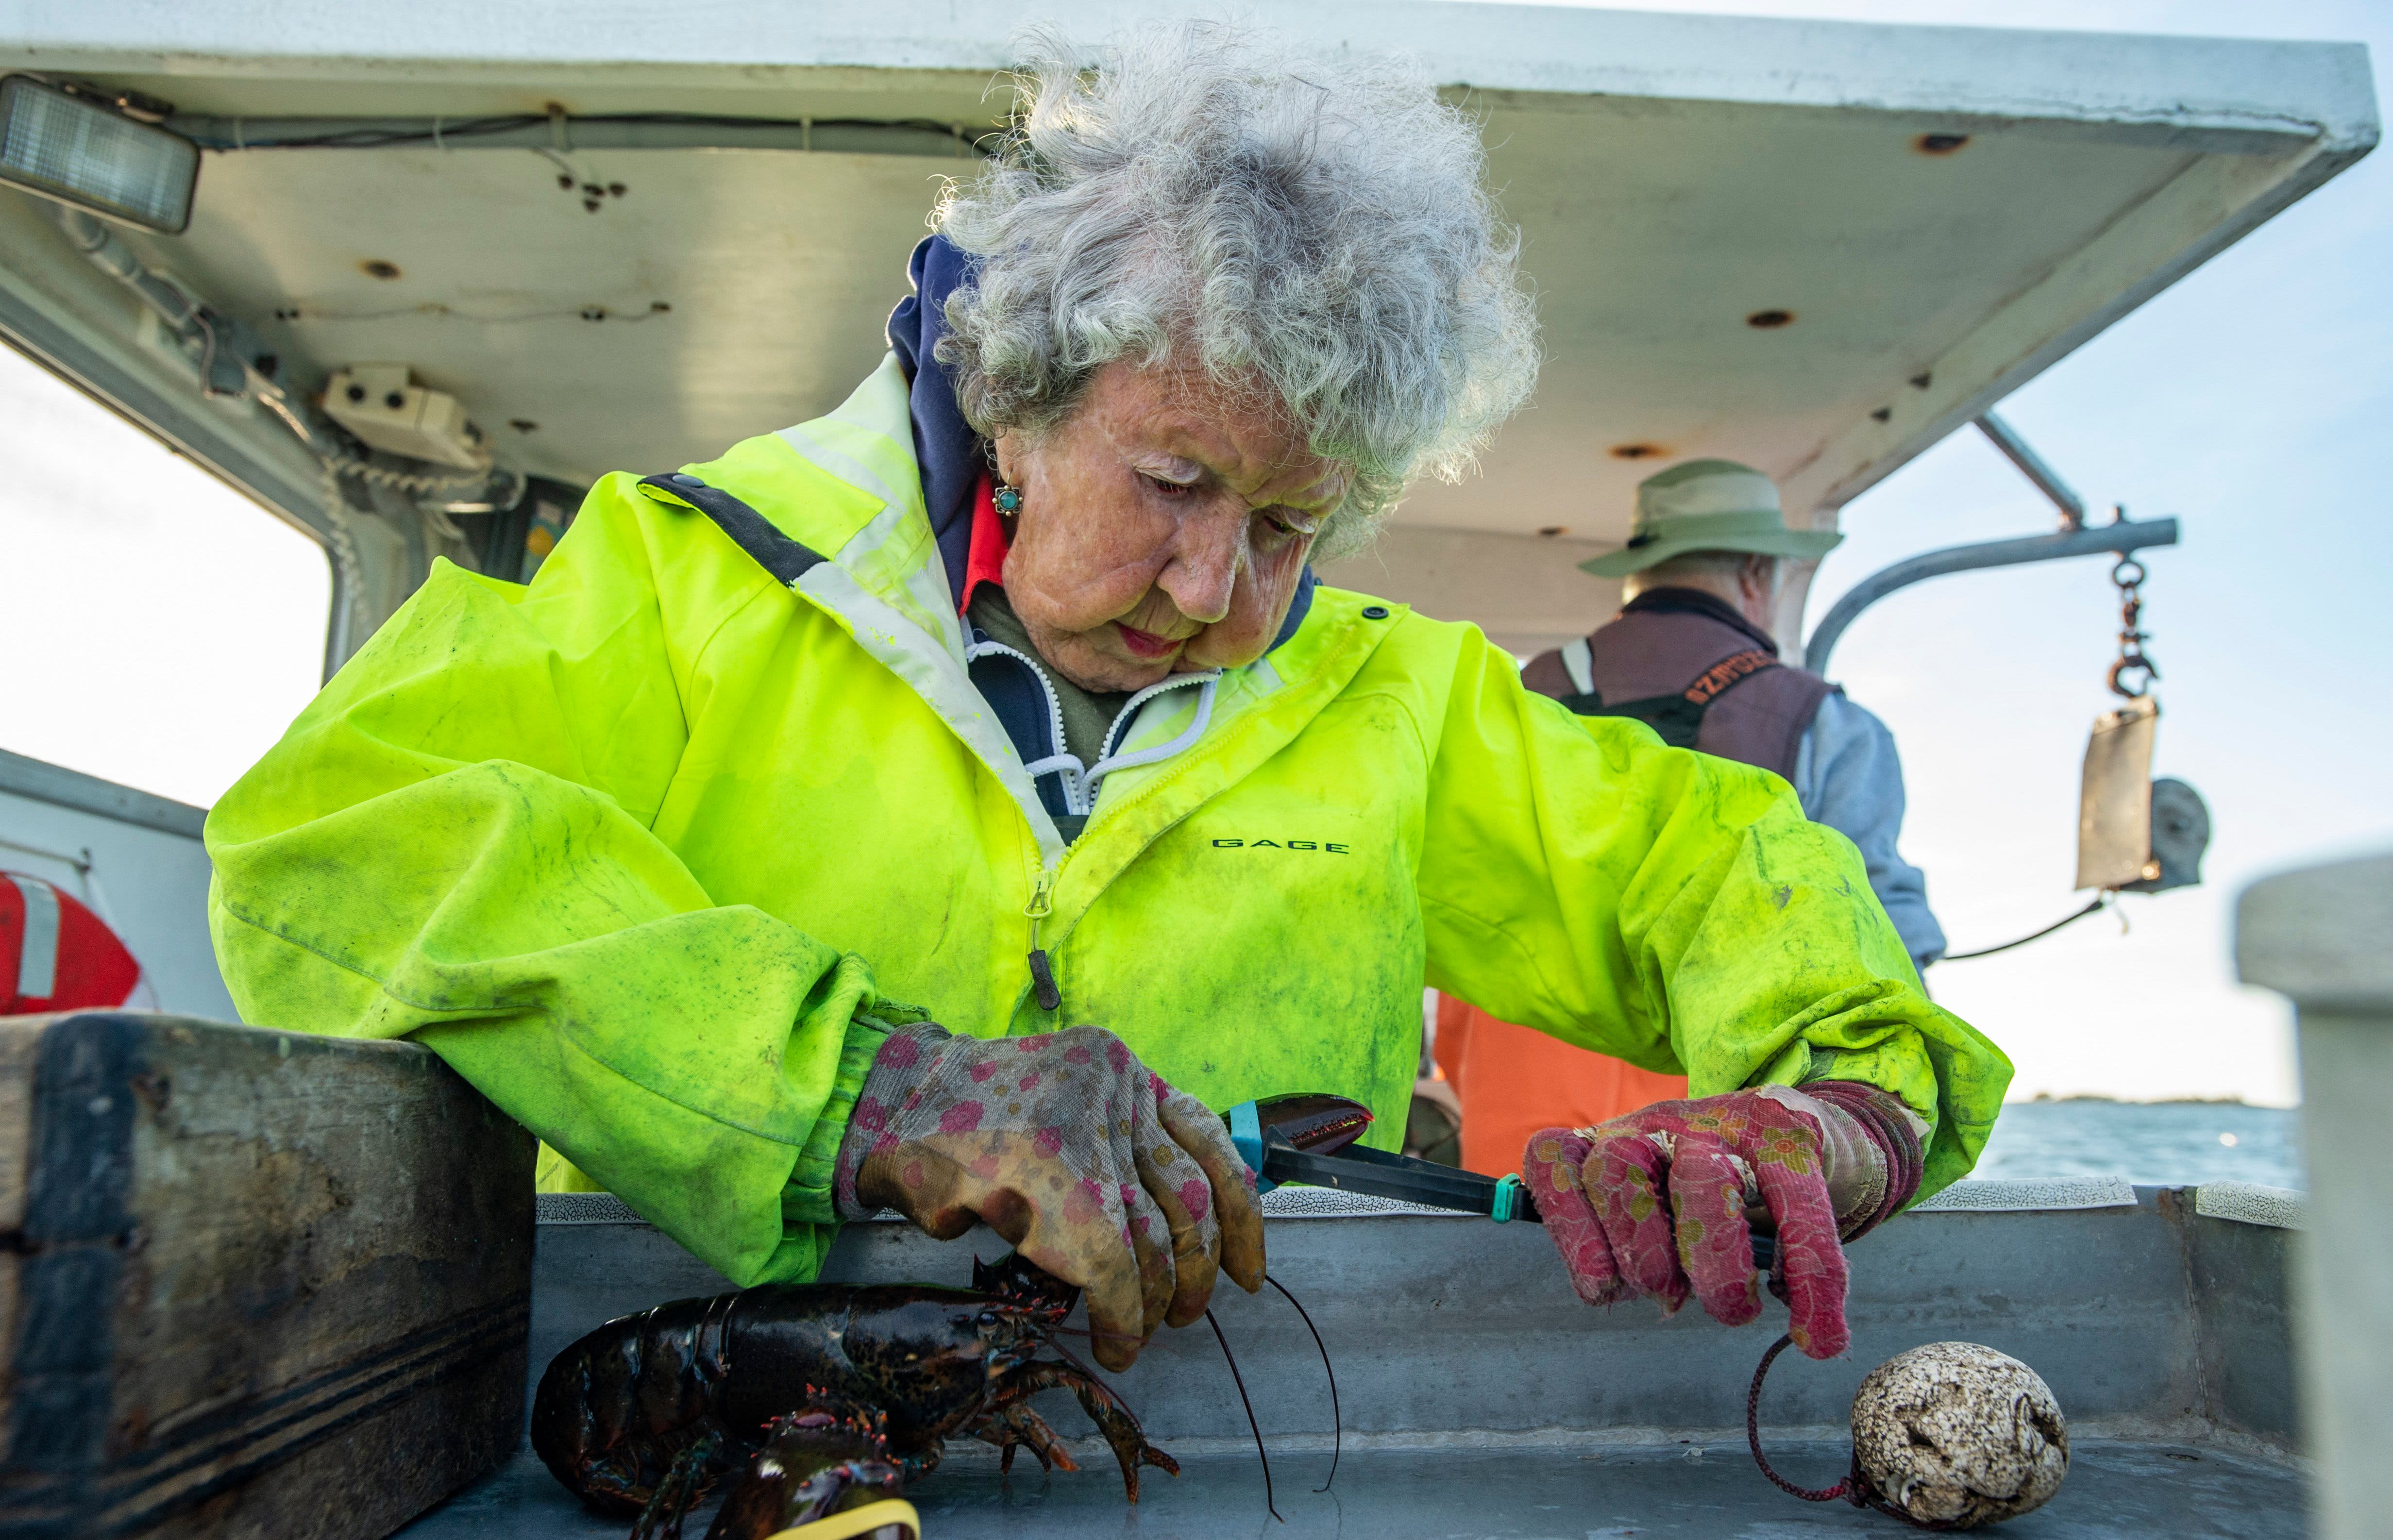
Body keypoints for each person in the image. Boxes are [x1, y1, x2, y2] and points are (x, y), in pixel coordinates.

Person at [204, 25, 2006, 1375]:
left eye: (1292, 524)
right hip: (711, 1401)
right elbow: (335, 842)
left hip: (1251, 1456)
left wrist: (1843, 1097)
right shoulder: (686, 583)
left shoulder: (1398, 696)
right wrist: (875, 1093)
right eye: (1171, 484)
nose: (1215, 591)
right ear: (1011, 397)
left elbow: (1709, 866)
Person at [1438, 458, 1948, 1182]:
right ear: (1754, 574)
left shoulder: (1523, 699)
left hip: (1516, 1113)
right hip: (1714, 1147)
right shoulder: (1828, 724)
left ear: (1640, 569)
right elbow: (1884, 940)